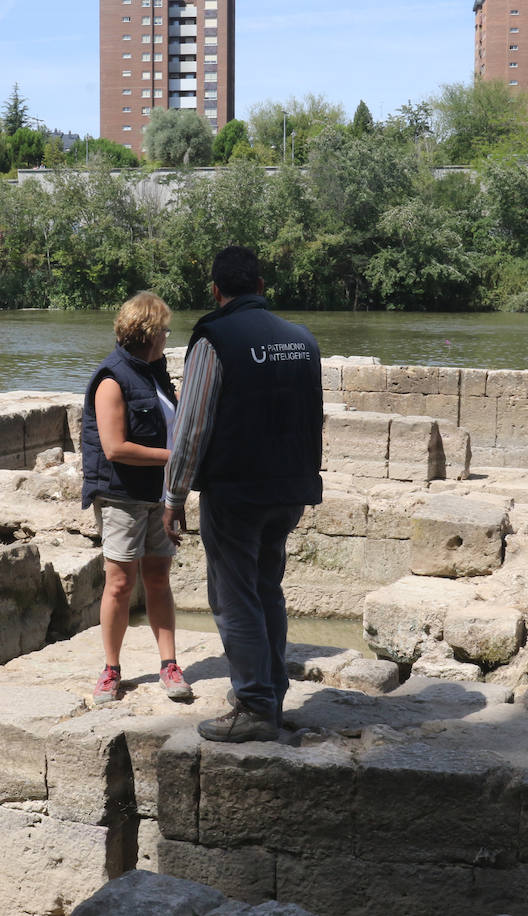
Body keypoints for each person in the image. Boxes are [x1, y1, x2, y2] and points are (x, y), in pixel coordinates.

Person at [162, 246, 323, 742]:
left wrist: (174, 495)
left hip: (237, 491)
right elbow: (312, 416)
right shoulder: (301, 340)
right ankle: (269, 693)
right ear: (260, 285)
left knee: (234, 597)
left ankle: (254, 705)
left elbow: (191, 425)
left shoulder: (215, 339)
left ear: (216, 290)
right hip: (290, 489)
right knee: (267, 588)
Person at [81, 291, 193, 706]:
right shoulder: (112, 379)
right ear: (148, 332)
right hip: (120, 496)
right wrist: (177, 457)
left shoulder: (155, 373)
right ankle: (111, 670)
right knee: (120, 582)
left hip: (158, 494)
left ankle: (169, 664)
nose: (167, 337)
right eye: (164, 330)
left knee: (159, 577)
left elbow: (177, 420)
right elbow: (114, 448)